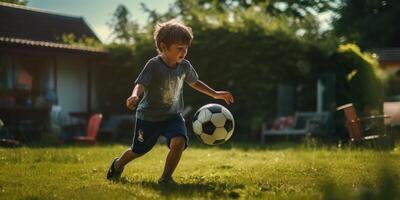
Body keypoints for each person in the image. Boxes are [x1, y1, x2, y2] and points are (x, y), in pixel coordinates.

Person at [106, 19, 234, 184]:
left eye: (186, 48)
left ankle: (166, 178)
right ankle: (118, 165)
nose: (184, 52)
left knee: (179, 141)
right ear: (164, 47)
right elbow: (141, 84)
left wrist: (215, 94)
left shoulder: (185, 66)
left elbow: (195, 82)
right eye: (179, 48)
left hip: (172, 115)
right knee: (138, 150)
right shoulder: (153, 65)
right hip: (148, 117)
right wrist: (134, 96)